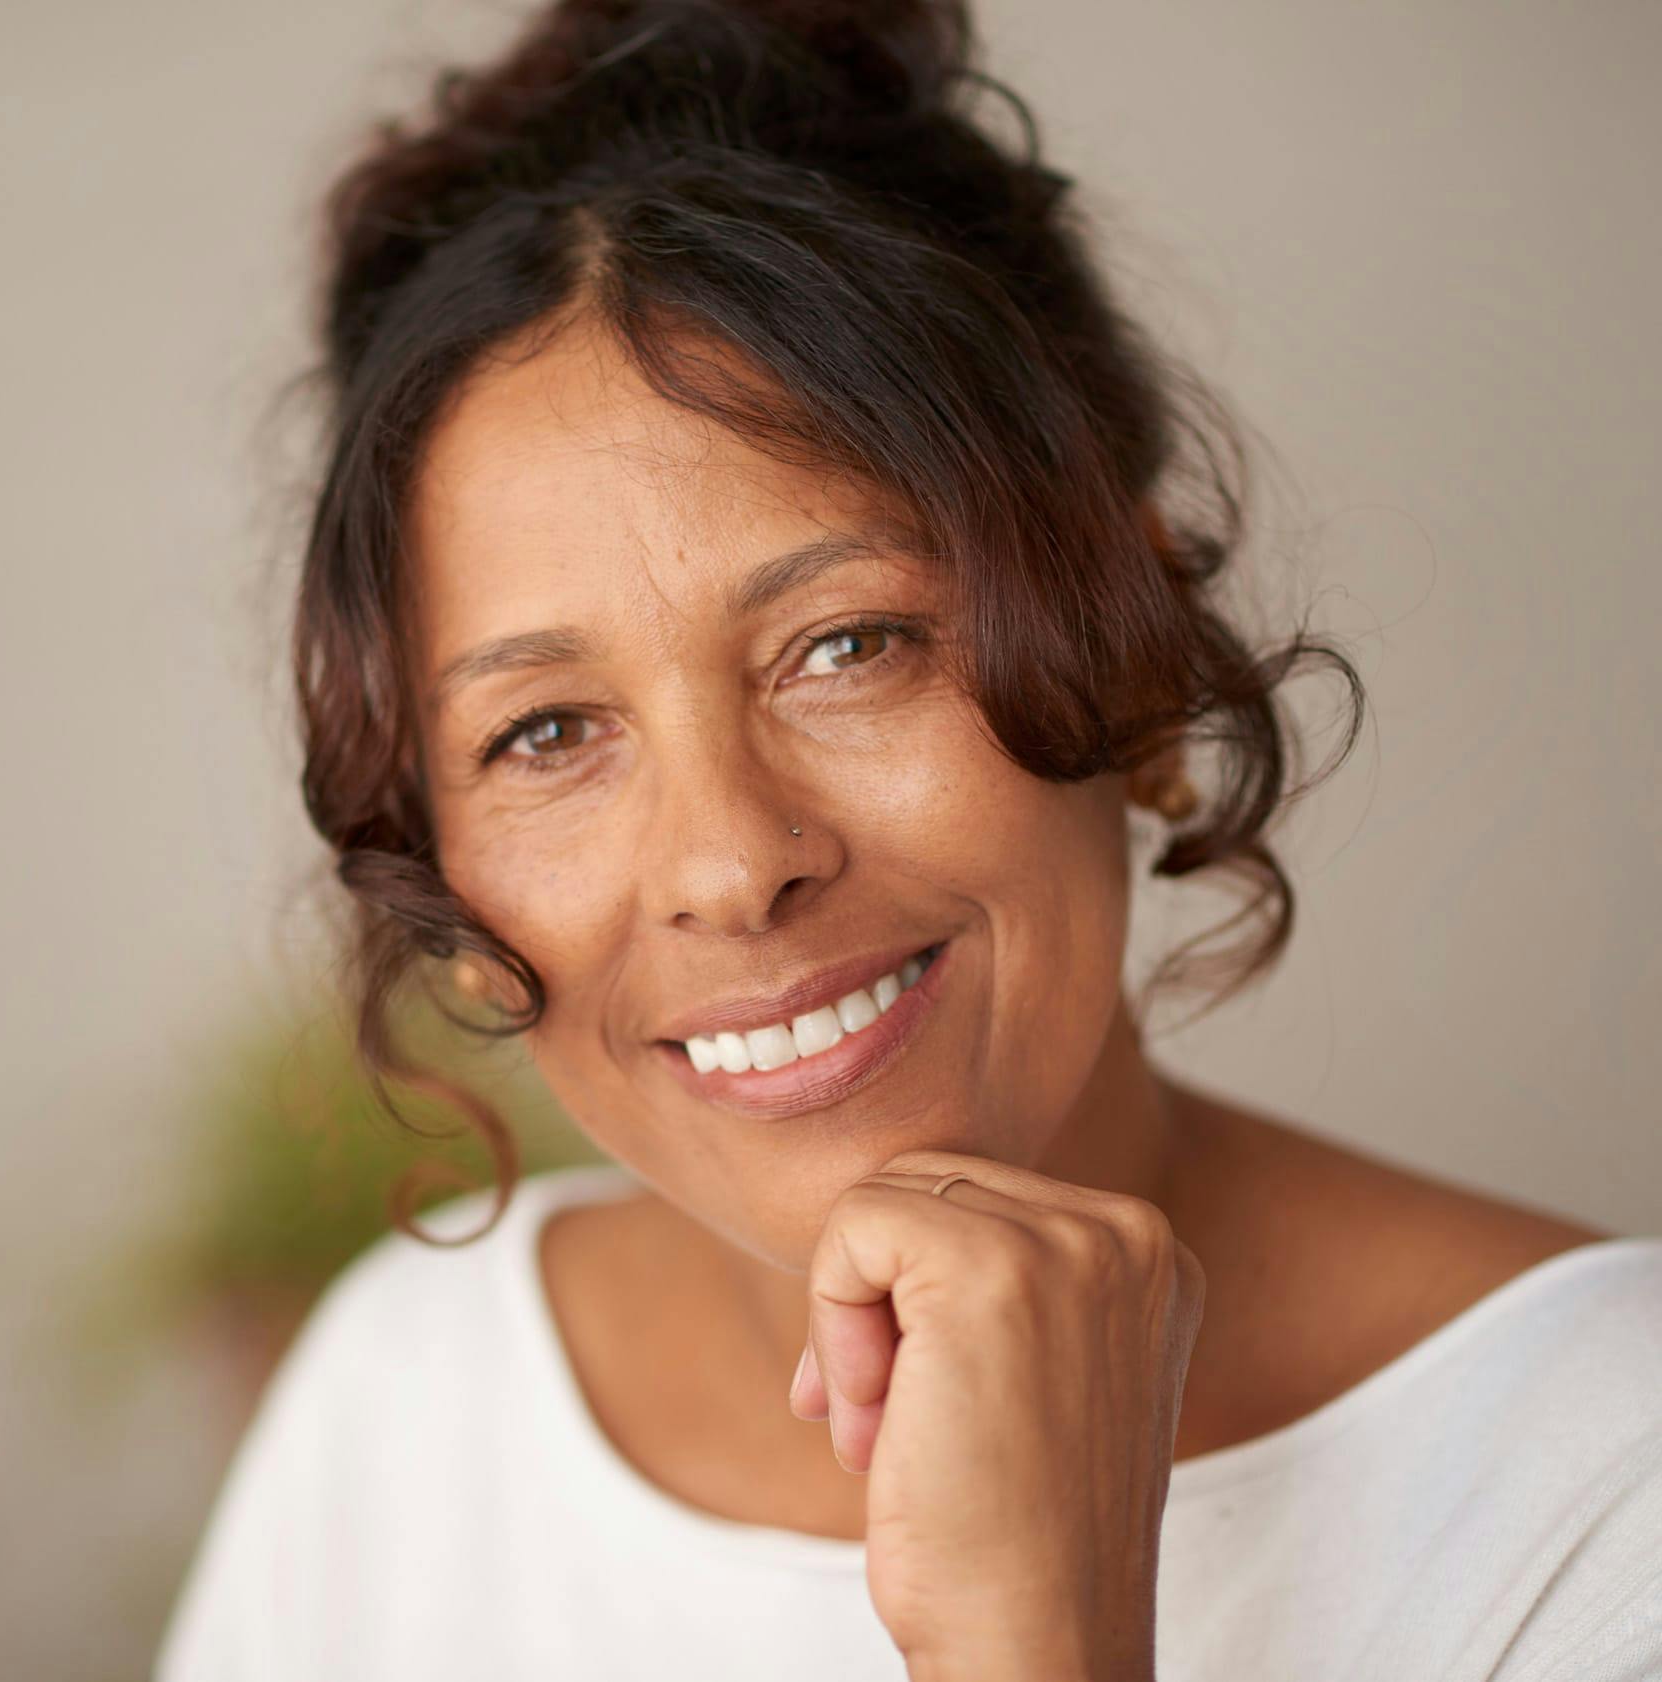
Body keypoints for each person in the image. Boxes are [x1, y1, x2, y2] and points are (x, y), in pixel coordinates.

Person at [156, 1, 1662, 1677]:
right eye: (548, 733)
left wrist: (1042, 1634)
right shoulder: (411, 1396)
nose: (733, 863)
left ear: (1144, 663)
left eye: (849, 644)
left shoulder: (1609, 1480)